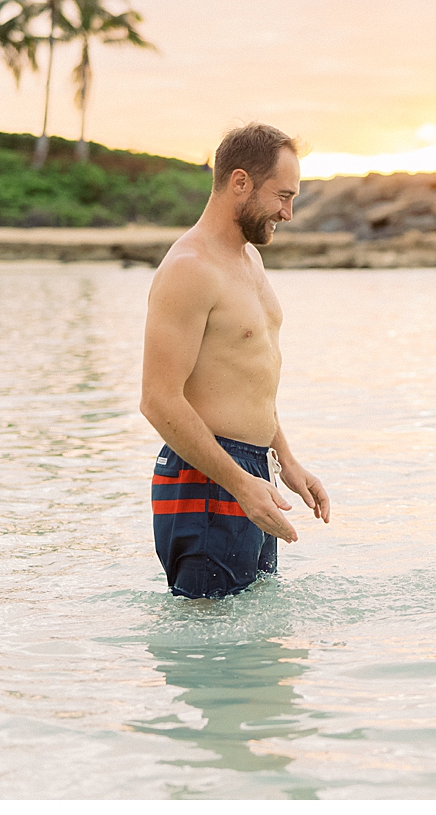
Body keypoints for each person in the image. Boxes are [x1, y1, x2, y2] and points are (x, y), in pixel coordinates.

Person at [140, 122, 331, 598]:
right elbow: (158, 401)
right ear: (240, 182)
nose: (288, 213)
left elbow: (249, 375)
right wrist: (240, 484)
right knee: (212, 653)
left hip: (249, 470)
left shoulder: (250, 262)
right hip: (206, 479)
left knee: (255, 655)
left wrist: (285, 460)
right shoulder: (190, 269)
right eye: (282, 196)